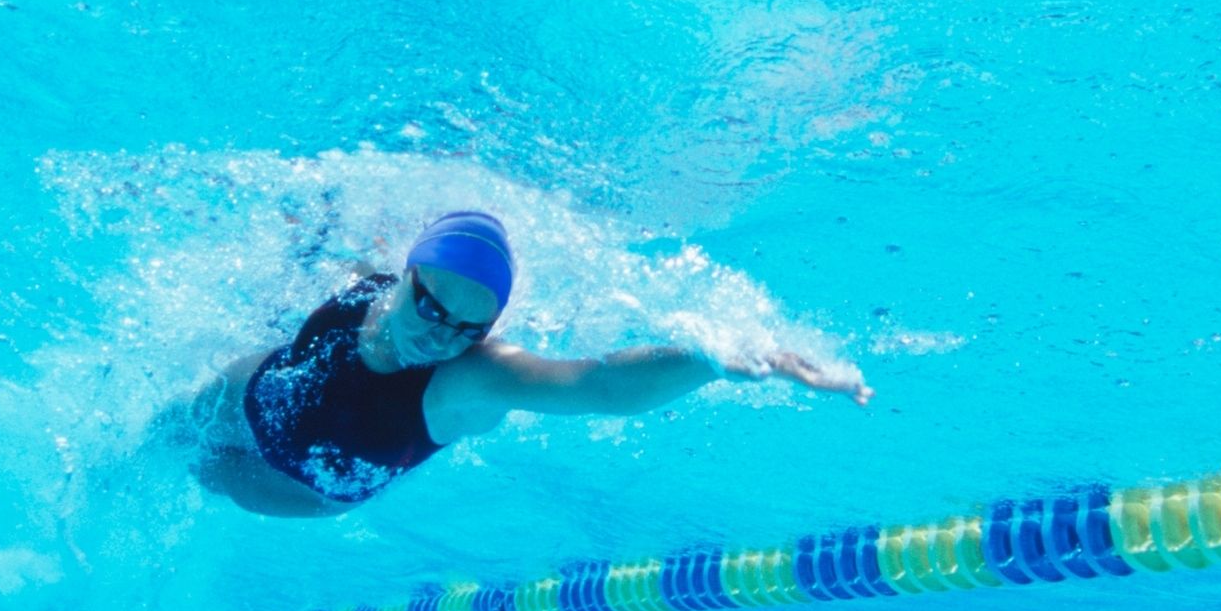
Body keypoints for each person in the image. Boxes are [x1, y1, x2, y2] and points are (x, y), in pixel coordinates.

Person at [187, 211, 870, 517]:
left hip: (300, 485)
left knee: (200, 472)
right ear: (406, 274)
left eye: (468, 328)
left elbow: (599, 385)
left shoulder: (468, 379)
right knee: (167, 431)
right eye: (430, 307)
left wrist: (715, 357)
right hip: (253, 391)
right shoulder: (363, 283)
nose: (440, 337)